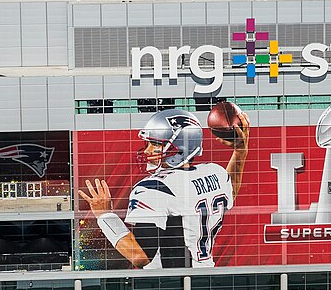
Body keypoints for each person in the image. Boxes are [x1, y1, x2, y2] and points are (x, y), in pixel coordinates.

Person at [79, 107, 250, 268]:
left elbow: (140, 256)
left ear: (180, 148)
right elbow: (231, 191)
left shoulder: (152, 188)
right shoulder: (214, 172)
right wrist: (240, 151)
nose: (147, 151)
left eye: (155, 144)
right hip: (208, 278)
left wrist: (105, 215)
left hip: (169, 287)